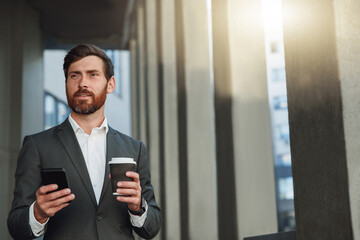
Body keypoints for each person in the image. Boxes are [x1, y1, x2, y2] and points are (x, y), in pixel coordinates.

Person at [7, 44, 162, 240]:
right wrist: (38, 213)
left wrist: (138, 207)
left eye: (93, 74)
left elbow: (152, 227)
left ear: (111, 84)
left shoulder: (135, 149)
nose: (83, 83)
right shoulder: (37, 146)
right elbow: (16, 225)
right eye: (75, 75)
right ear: (66, 85)